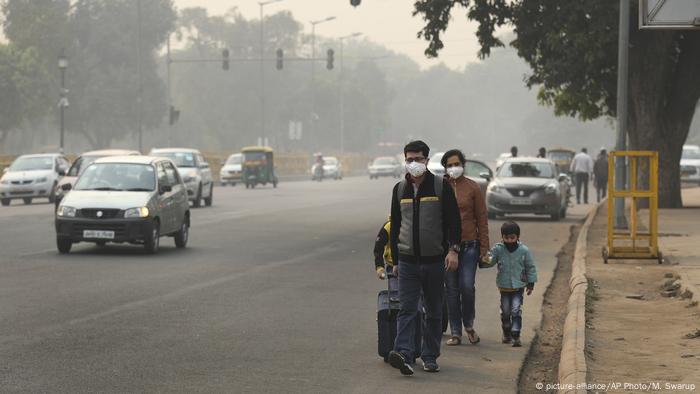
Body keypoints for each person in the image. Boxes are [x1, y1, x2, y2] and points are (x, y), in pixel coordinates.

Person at [388, 140, 461, 375]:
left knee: (433, 311)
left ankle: (430, 356)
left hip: (434, 261)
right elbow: (396, 225)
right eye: (409, 159)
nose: (413, 163)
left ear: (427, 161)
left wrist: (453, 250)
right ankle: (405, 355)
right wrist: (396, 261)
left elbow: (453, 222)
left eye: (418, 159)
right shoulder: (400, 189)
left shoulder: (441, 187)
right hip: (408, 262)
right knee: (407, 309)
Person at [441, 149, 490, 346]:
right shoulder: (440, 187)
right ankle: (455, 332)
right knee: (451, 290)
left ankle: (468, 325)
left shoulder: (473, 188)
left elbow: (482, 218)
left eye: (456, 164)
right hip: (446, 248)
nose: (454, 168)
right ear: (445, 168)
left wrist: (484, 247)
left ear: (463, 165)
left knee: (466, 287)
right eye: (449, 165)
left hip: (470, 246)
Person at [482, 221, 537, 347]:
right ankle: (506, 332)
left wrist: (531, 283)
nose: (509, 241)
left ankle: (516, 334)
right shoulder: (498, 249)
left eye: (512, 238)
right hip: (504, 287)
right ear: (502, 237)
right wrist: (483, 261)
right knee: (506, 312)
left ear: (518, 237)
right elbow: (490, 260)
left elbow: (530, 267)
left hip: (518, 287)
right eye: (506, 238)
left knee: (516, 310)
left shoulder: (524, 250)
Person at [374, 216, 397, 290]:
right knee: (395, 295)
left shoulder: (413, 224)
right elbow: (378, 247)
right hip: (393, 267)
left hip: (414, 266)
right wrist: (379, 267)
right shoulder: (389, 226)